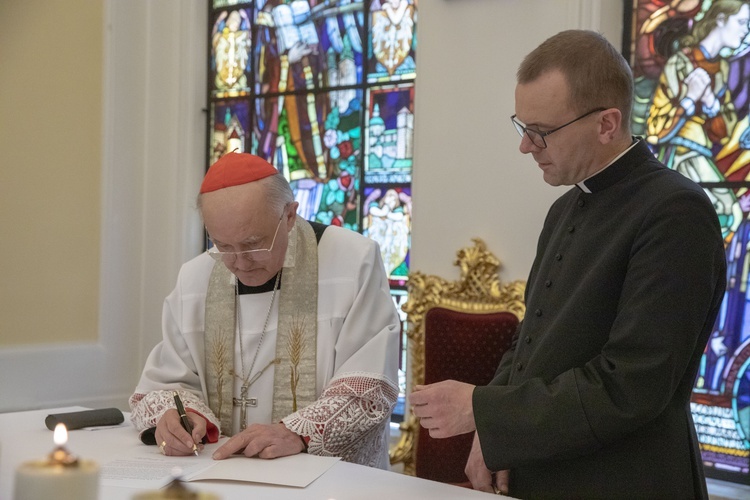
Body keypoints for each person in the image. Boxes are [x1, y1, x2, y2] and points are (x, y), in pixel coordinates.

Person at [409, 30, 727, 498]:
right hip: (541, 469)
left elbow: (632, 384)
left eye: (540, 132)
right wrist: (494, 438)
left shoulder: (676, 211)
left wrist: (484, 410)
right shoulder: (564, 207)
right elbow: (530, 342)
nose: (526, 147)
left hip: (624, 481)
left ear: (607, 124)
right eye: (523, 128)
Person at [129, 152, 400, 469]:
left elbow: (369, 387)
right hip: (220, 474)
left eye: (253, 244)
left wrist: (296, 433)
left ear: (289, 216)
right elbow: (167, 384)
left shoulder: (353, 262)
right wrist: (180, 415)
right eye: (223, 246)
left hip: (324, 481)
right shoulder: (195, 277)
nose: (239, 263)